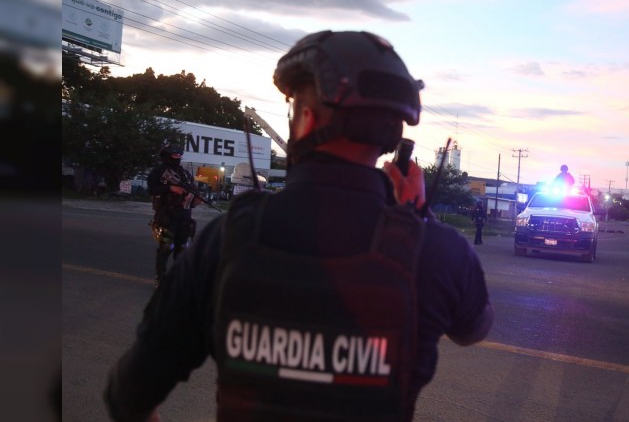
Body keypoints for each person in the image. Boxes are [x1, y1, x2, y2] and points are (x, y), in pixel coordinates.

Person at [105, 30, 493, 422]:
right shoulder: (440, 250)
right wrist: (418, 218)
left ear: (305, 119)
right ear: (393, 132)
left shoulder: (227, 240)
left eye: (293, 107)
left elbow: (128, 396)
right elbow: (472, 329)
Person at [146, 140, 200, 287]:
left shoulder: (185, 174)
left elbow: (193, 190)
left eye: (179, 155)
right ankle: (160, 277)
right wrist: (170, 188)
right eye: (175, 154)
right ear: (167, 156)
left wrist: (196, 198)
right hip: (166, 215)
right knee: (165, 248)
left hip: (184, 215)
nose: (177, 157)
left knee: (182, 249)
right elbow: (152, 189)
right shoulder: (158, 172)